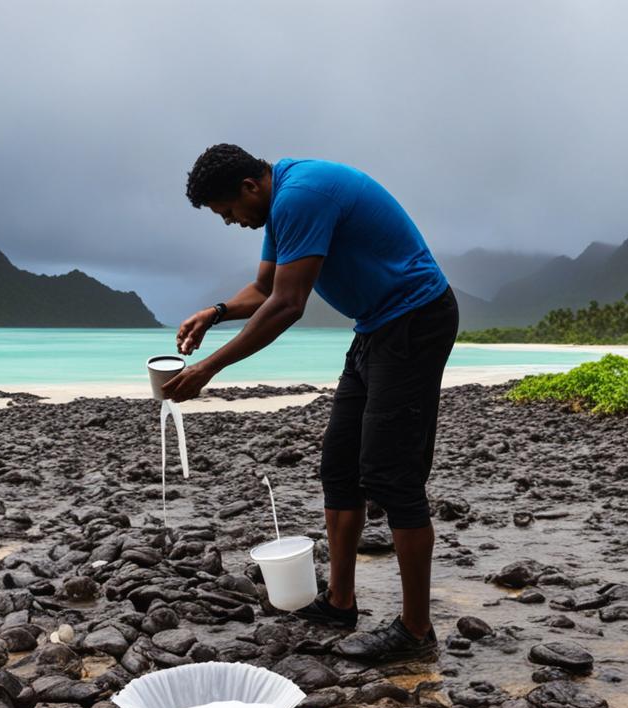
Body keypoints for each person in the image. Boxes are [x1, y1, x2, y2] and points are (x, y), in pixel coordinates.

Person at [161, 144, 458, 662]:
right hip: (375, 327)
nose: (231, 222)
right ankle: (340, 603)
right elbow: (263, 287)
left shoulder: (301, 196)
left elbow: (288, 304)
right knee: (339, 468)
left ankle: (416, 632)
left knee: (391, 476)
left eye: (227, 212)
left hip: (415, 319)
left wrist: (208, 369)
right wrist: (216, 311)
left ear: (249, 188)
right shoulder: (280, 201)